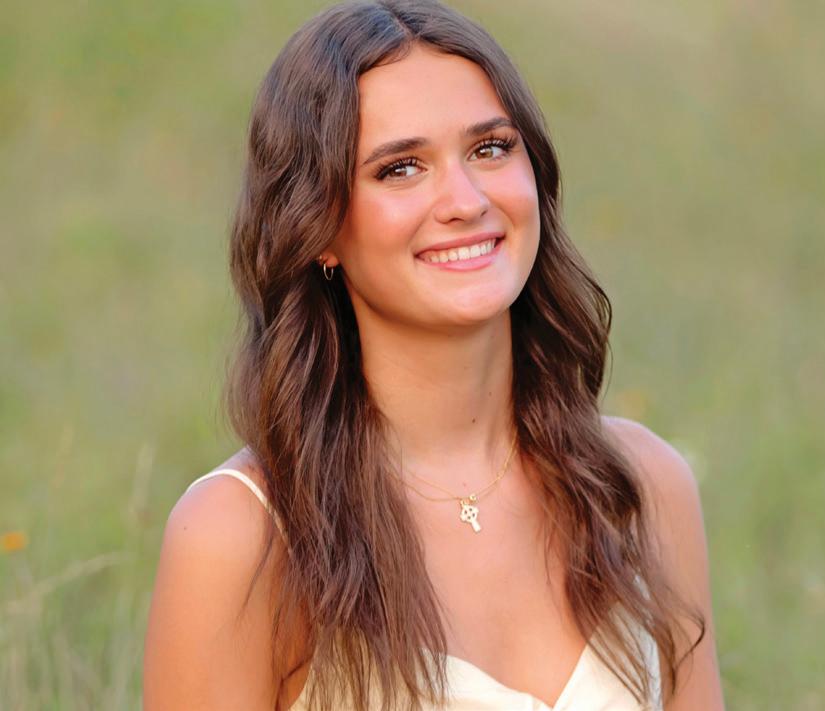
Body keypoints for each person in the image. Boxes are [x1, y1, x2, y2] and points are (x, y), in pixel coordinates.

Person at [142, 1, 725, 709]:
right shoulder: (240, 536)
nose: (465, 200)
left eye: (490, 149)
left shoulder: (642, 487)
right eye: (400, 168)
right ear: (316, 226)